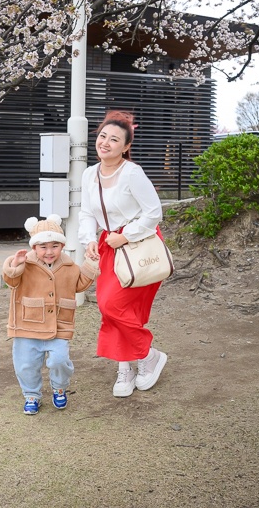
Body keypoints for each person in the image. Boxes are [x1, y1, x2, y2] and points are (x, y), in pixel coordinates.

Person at [79, 110, 167, 398]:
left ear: (126, 146)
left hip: (138, 247)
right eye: (103, 136)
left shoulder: (132, 173)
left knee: (113, 306)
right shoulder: (89, 174)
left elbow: (154, 212)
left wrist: (125, 236)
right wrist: (88, 239)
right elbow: (86, 212)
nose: (105, 142)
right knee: (112, 308)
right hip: (108, 246)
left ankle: (147, 356)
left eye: (114, 139)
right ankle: (125, 367)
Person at [2, 214, 98, 415]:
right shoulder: (24, 263)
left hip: (59, 323)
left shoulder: (69, 266)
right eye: (43, 246)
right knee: (25, 364)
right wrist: (15, 265)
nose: (49, 251)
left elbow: (80, 284)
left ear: (62, 246)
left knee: (60, 360)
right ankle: (31, 395)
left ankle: (60, 387)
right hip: (27, 323)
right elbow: (11, 281)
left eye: (55, 245)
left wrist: (90, 264)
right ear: (34, 247)